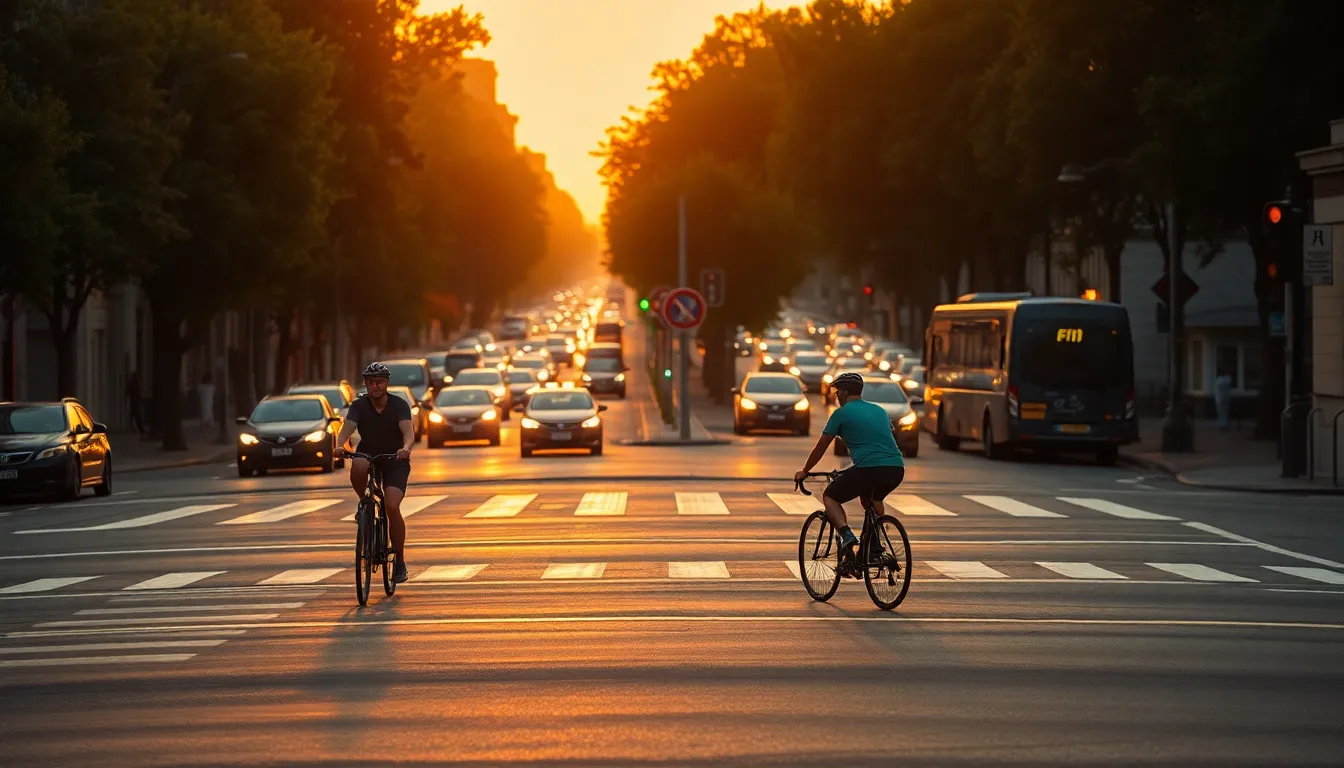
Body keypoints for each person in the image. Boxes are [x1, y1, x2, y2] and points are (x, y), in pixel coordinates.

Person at [794, 371, 905, 573]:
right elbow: (885, 435)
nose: (836, 397)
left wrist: (805, 470)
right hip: (896, 468)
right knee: (871, 499)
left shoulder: (841, 414)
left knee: (830, 496)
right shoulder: (879, 410)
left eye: (837, 393)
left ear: (844, 392)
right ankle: (873, 544)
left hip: (869, 468)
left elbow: (822, 446)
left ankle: (846, 535)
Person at [333, 362, 414, 583]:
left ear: (386, 383)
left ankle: (399, 561)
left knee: (391, 506)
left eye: (378, 382)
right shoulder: (359, 405)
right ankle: (364, 504)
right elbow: (346, 429)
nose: (374, 386)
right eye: (370, 382)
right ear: (366, 385)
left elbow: (408, 432)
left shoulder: (399, 405)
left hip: (395, 458)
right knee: (358, 464)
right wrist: (340, 446)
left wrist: (405, 449)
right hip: (368, 453)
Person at [125, 371, 146, 437]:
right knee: (137, 417)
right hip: (135, 403)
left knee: (135, 417)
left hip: (134, 403)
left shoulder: (133, 384)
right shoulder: (135, 385)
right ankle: (140, 429)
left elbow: (129, 393)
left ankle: (139, 429)